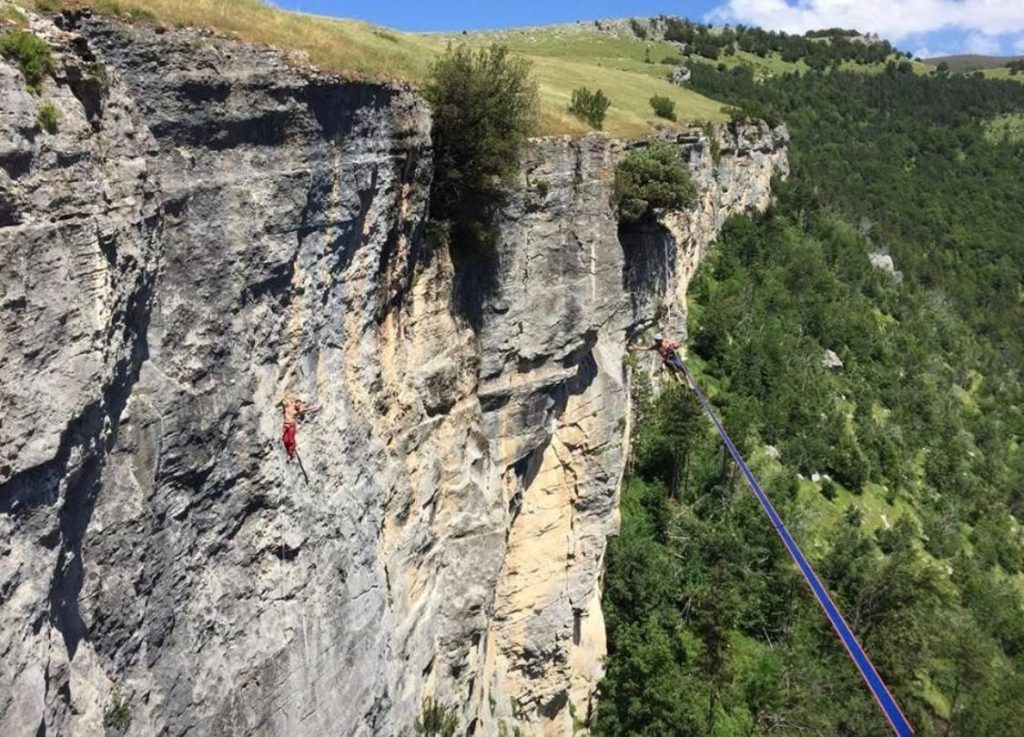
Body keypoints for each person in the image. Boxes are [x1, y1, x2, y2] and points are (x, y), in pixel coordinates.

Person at [277, 395, 319, 461]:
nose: (298, 406)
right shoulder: (289, 405)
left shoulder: (296, 410)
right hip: (285, 425)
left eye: (299, 405)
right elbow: (283, 400)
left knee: (291, 440)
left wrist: (313, 408)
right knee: (285, 439)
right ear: (295, 403)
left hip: (291, 425)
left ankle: (291, 453)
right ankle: (288, 451)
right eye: (298, 404)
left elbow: (305, 410)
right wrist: (278, 403)